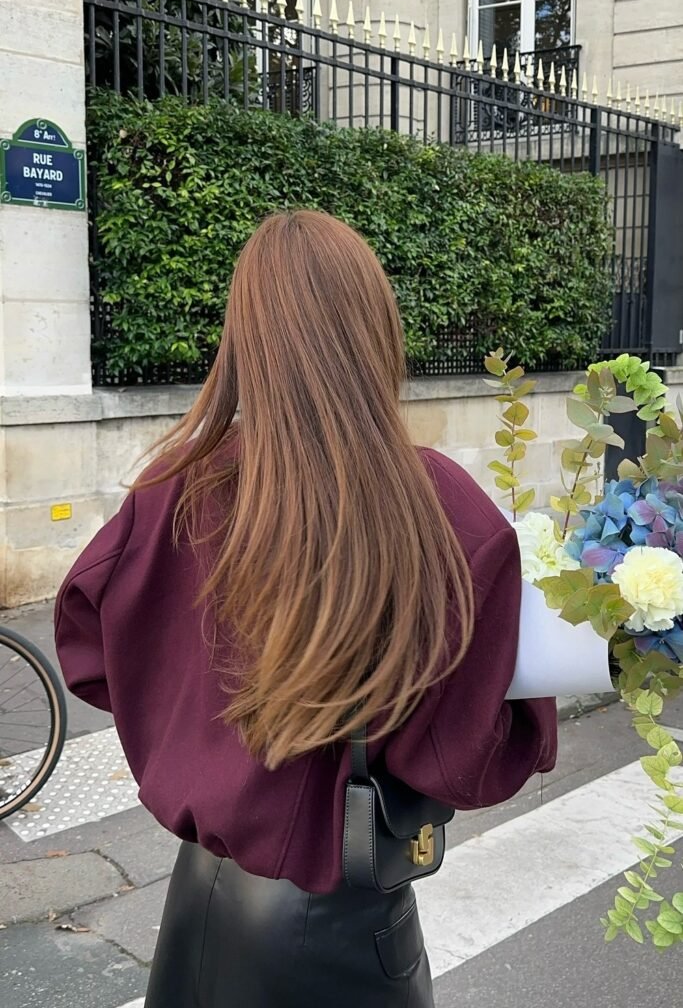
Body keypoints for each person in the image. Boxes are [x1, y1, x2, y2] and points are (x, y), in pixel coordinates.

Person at [55, 210, 557, 1008]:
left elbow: (90, 649)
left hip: (197, 905)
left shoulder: (174, 491)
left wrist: (200, 732)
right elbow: (460, 759)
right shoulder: (434, 507)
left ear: (243, 337)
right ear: (374, 328)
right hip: (337, 921)